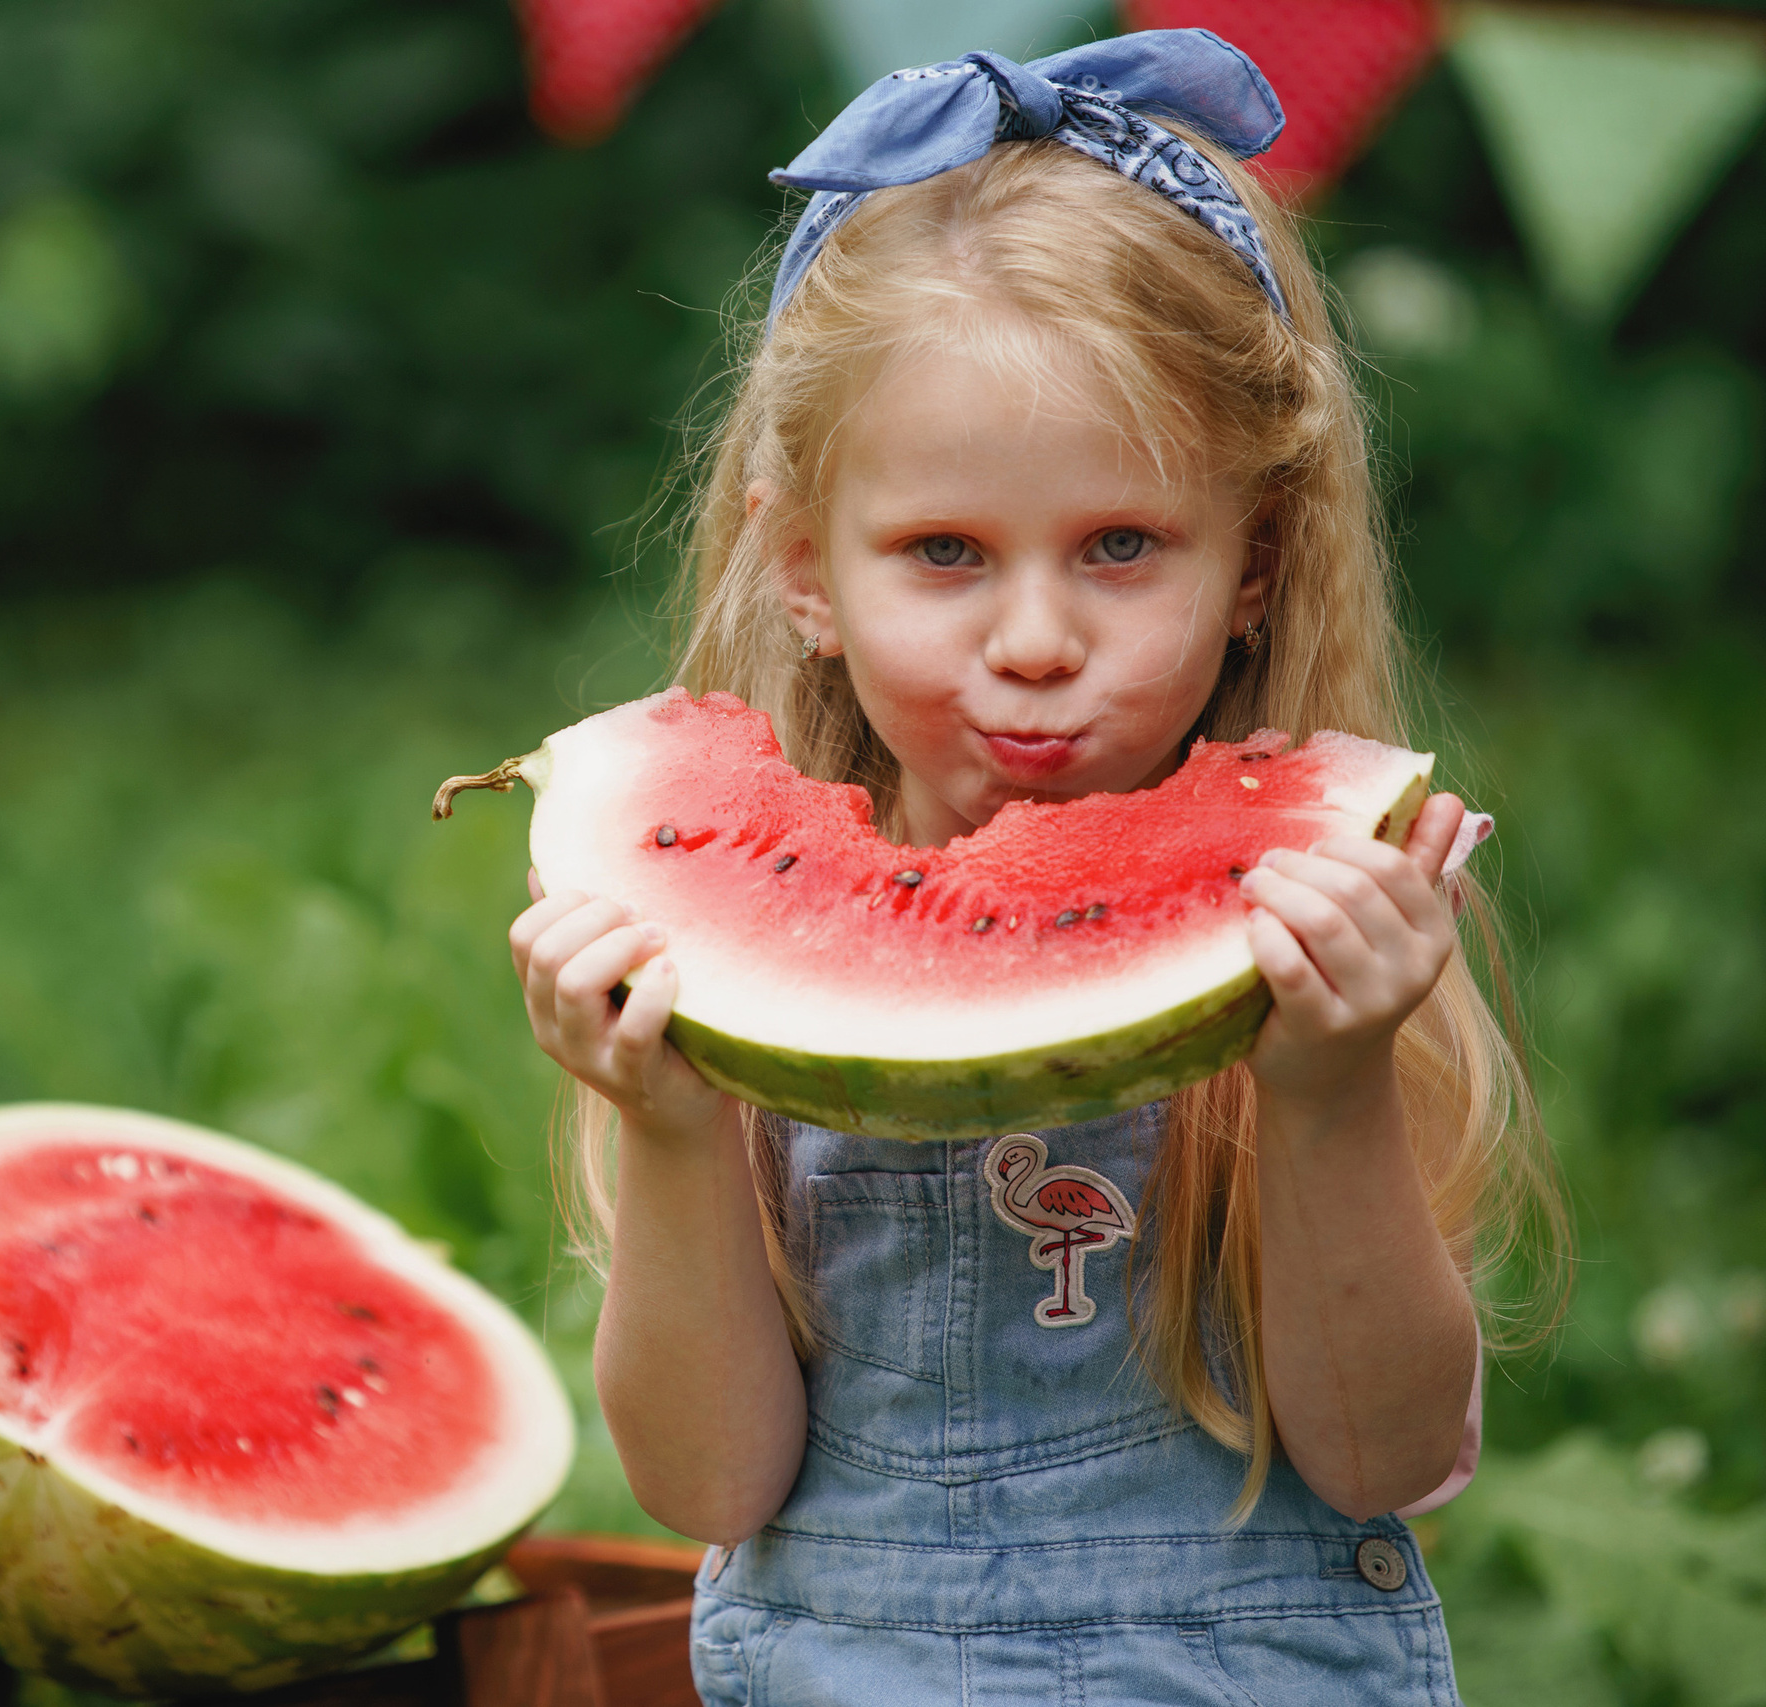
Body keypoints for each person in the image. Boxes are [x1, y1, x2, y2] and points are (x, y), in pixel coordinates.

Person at [504, 29, 1567, 1704]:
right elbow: (707, 1491)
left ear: (1254, 567)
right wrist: (670, 1117)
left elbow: (1379, 1455)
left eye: (1121, 548)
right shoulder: (700, 965)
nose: (1035, 640)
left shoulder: (1337, 921)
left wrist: (1333, 1086)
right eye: (945, 554)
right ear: (805, 573)